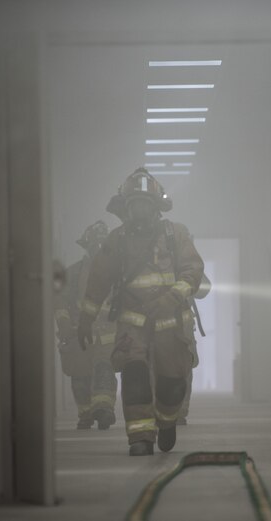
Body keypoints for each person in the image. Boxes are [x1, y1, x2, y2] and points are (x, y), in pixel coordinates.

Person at [77, 168, 204, 456]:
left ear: (156, 207)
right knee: (134, 379)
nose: (140, 210)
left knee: (173, 384)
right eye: (134, 204)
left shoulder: (176, 234)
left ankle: (167, 420)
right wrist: (85, 318)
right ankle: (140, 438)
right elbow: (98, 281)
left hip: (171, 325)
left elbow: (193, 271)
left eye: (145, 203)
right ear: (126, 207)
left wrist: (172, 297)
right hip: (132, 325)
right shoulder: (116, 240)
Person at [55, 221, 118, 430]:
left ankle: (104, 411)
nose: (99, 249)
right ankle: (85, 415)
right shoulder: (73, 273)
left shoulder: (119, 272)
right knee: (80, 375)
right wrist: (64, 323)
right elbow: (61, 302)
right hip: (79, 333)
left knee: (104, 370)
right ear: (87, 246)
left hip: (108, 334)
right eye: (95, 244)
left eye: (103, 245)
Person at [177, 271, 212, 426]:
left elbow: (203, 289)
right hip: (153, 323)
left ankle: (179, 412)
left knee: (183, 366)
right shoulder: (140, 255)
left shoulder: (182, 254)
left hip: (182, 324)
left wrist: (192, 271)